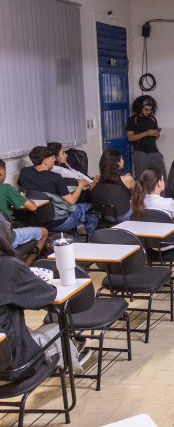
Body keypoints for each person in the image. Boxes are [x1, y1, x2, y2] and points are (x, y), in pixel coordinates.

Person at [0, 223, 59, 374]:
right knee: (56, 329)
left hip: (5, 350)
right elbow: (46, 296)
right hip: (13, 364)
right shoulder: (9, 267)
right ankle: (75, 358)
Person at [17, 146, 97, 239]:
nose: (54, 160)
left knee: (69, 218)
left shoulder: (24, 172)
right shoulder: (55, 177)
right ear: (45, 161)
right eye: (52, 158)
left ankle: (74, 241)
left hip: (35, 220)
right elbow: (71, 201)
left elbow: (21, 185)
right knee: (90, 209)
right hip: (56, 222)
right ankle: (94, 240)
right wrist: (80, 185)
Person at [0, 160, 48, 266]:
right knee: (43, 232)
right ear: (1, 172)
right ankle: (25, 267)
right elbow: (32, 207)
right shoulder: (6, 189)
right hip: (6, 240)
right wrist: (23, 198)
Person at [131, 168, 174, 249]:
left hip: (148, 244)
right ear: (159, 183)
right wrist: (170, 223)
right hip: (169, 242)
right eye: (162, 179)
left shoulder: (138, 203)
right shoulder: (169, 202)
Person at [126, 95, 167, 180]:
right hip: (140, 152)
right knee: (142, 179)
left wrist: (156, 134)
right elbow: (130, 137)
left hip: (154, 151)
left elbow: (156, 137)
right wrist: (147, 133)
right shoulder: (133, 120)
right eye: (146, 110)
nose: (148, 112)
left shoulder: (152, 119)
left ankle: (162, 193)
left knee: (162, 177)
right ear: (140, 108)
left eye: (150, 110)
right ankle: (142, 194)